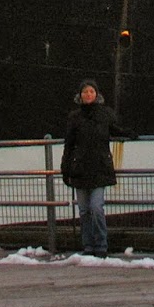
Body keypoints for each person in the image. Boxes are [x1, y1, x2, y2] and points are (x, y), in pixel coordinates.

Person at [59, 79, 136, 257]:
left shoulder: (105, 114)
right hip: (80, 169)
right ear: (80, 95)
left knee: (96, 208)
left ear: (97, 94)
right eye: (85, 92)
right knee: (84, 210)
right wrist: (66, 167)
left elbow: (114, 129)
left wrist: (128, 133)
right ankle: (88, 245)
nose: (88, 95)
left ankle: (101, 244)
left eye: (91, 92)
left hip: (99, 167)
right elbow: (69, 144)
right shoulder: (74, 117)